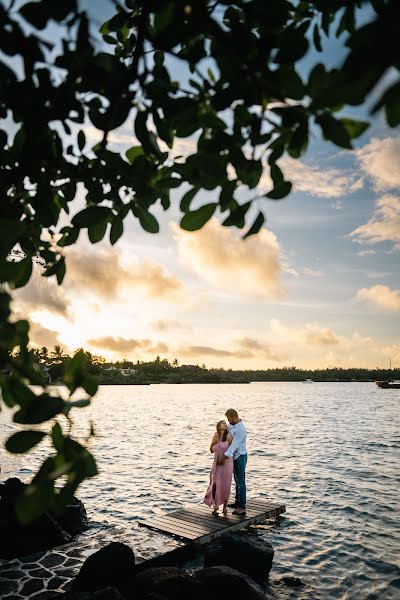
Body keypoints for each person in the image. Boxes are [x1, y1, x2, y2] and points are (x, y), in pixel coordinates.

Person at [217, 408, 247, 515]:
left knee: (241, 481)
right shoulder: (231, 425)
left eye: (229, 419)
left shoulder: (240, 430)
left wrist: (223, 458)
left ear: (234, 417)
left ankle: (242, 506)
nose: (228, 421)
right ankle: (237, 502)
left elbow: (233, 446)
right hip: (234, 457)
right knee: (236, 480)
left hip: (240, 456)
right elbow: (225, 435)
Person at [203, 420, 234, 515]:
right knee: (215, 484)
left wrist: (224, 459)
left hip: (227, 463)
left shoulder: (228, 436)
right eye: (223, 423)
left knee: (225, 485)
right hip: (216, 465)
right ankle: (215, 507)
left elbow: (232, 449)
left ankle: (225, 506)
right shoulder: (216, 436)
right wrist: (213, 442)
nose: (225, 424)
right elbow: (211, 451)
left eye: (225, 423)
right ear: (218, 426)